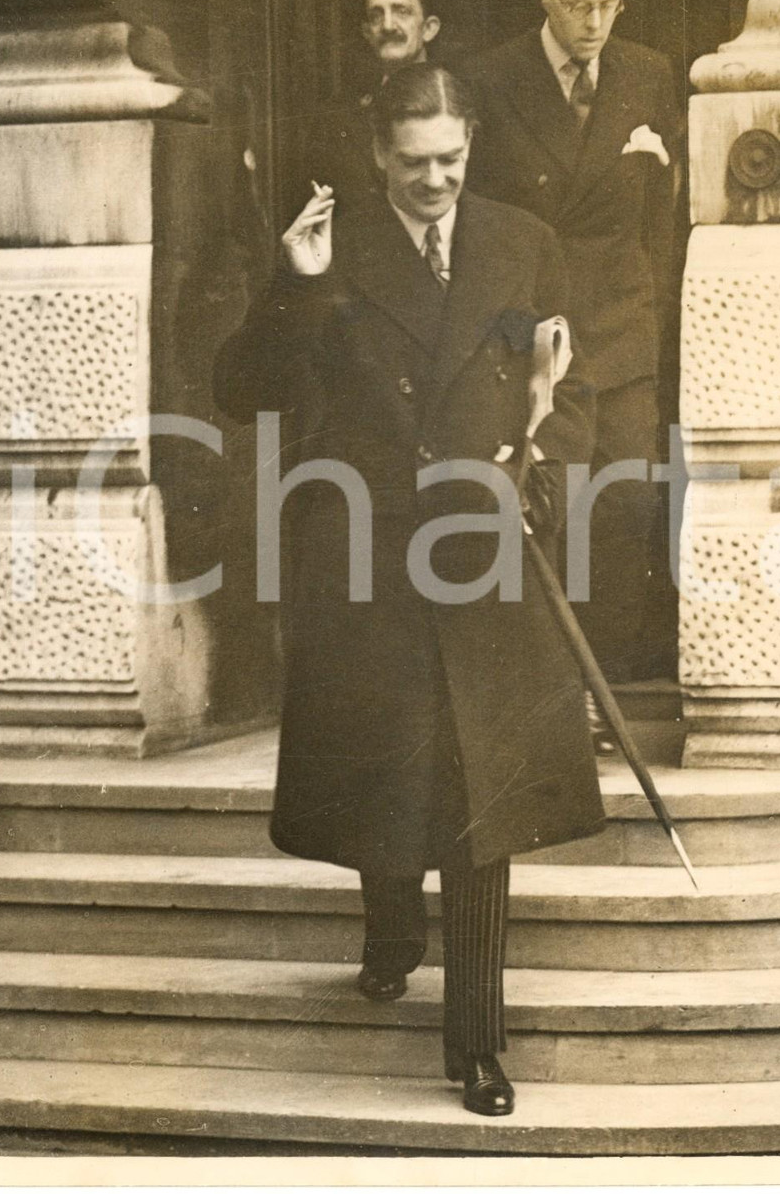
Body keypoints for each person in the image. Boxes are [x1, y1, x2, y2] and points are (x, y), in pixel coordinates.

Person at [213, 65, 605, 1117]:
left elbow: (574, 389)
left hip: (482, 548)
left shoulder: (521, 240)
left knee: (481, 794)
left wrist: (541, 464)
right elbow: (242, 390)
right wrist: (297, 284)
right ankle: (390, 929)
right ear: (377, 153)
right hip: (369, 553)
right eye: (412, 162)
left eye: (451, 160)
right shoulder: (329, 246)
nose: (434, 180)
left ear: (470, 142)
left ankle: (476, 1040)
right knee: (387, 774)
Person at [466, 0, 680, 688]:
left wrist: (651, 317)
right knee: (545, 510)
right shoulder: (490, 81)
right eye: (580, 6)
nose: (595, 25)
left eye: (610, 7)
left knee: (623, 510)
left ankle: (608, 688)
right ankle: (548, 693)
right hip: (534, 335)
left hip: (621, 331)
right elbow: (480, 219)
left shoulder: (648, 76)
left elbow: (660, 218)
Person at [302, 0, 443, 213]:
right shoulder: (337, 119)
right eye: (376, 15)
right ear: (367, 33)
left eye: (402, 12)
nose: (388, 26)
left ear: (429, 28)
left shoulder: (463, 104)